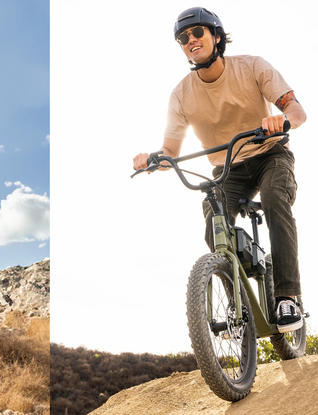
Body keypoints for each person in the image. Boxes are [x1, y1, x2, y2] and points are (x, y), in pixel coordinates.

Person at [132, 7, 308, 332]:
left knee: (275, 202)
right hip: (228, 170)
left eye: (196, 33)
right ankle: (239, 309)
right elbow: (171, 152)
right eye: (183, 38)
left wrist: (282, 120)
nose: (190, 41)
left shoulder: (252, 66)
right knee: (214, 223)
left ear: (216, 35)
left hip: (271, 155)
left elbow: (296, 109)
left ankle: (287, 297)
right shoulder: (181, 95)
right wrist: (153, 160)